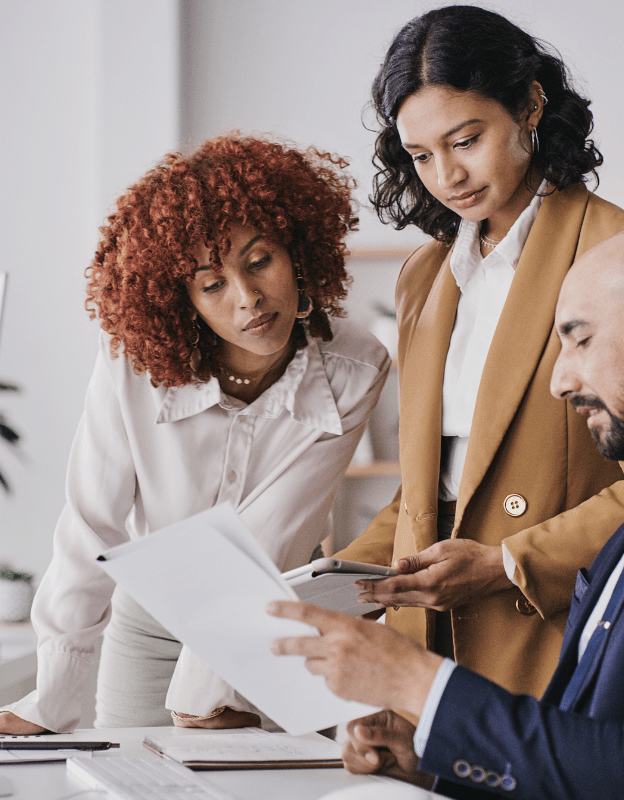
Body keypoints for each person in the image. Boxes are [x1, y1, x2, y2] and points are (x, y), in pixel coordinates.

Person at [270, 223, 624, 799]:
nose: (559, 380)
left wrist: (418, 682)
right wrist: (434, 761)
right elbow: (595, 757)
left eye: (580, 339)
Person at [0, 134, 390, 735]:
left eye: (260, 261)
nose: (249, 299)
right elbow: (91, 522)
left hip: (274, 622)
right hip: (149, 623)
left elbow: (278, 533)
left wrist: (209, 688)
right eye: (212, 285)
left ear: (299, 250)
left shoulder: (356, 367)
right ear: (180, 302)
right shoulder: (133, 364)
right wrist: (51, 695)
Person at [336, 4, 624, 698]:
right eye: (421, 156)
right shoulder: (424, 276)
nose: (447, 175)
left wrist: (509, 562)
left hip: (556, 637)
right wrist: (323, 587)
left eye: (465, 140)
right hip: (428, 646)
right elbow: (433, 492)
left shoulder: (622, 256)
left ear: (531, 105)